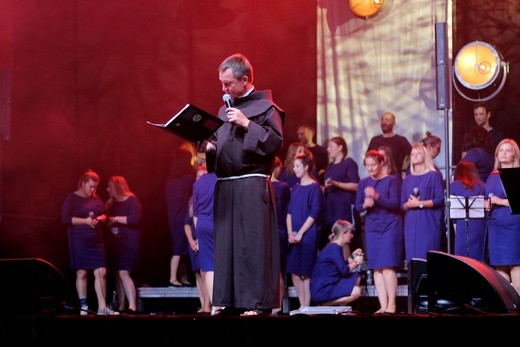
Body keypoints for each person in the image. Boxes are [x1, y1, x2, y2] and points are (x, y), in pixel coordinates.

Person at [199, 53, 284, 316]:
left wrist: (247, 124)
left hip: (251, 184)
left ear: (245, 80)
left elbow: (275, 143)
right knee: (226, 242)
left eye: (228, 84)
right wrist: (210, 147)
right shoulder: (223, 112)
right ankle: (226, 299)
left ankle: (255, 303)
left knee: (252, 244)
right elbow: (222, 146)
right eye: (221, 84)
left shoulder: (266, 108)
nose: (223, 89)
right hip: (226, 185)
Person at [61, 169, 119, 315]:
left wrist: (99, 219)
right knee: (82, 273)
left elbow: (104, 214)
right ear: (83, 183)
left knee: (101, 272)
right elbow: (66, 219)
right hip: (79, 239)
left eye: (95, 187)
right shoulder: (72, 198)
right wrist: (85, 221)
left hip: (96, 241)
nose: (93, 189)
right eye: (91, 186)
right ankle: (84, 306)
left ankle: (102, 307)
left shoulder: (96, 198)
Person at [355, 150, 403, 314]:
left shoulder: (391, 180)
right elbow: (358, 205)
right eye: (367, 165)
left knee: (388, 266)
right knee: (376, 268)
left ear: (381, 162)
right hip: (372, 227)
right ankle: (383, 305)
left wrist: (376, 197)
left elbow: (396, 203)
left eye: (373, 164)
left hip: (390, 225)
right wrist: (365, 205)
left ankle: (392, 305)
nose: (370, 168)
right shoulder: (363, 183)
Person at [286, 154, 323, 308]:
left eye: (297, 166)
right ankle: (302, 305)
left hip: (307, 235)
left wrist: (301, 233)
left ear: (306, 167)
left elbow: (314, 213)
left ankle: (307, 307)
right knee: (294, 272)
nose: (294, 169)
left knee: (305, 272)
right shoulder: (295, 188)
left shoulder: (314, 187)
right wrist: (290, 233)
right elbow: (289, 213)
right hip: (293, 235)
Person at [485, 139, 520, 295]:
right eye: (501, 150)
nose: (504, 153)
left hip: (512, 225)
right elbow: (488, 197)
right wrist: (487, 204)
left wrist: (498, 201)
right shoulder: (492, 176)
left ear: (514, 155)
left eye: (508, 150)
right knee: (499, 266)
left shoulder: (516, 174)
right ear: (496, 154)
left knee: (515, 264)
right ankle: (508, 307)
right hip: (496, 225)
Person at [104, 175, 142, 314]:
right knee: (117, 274)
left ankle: (132, 306)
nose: (107, 189)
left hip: (129, 242)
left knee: (124, 272)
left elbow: (135, 218)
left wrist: (115, 219)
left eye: (110, 187)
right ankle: (121, 305)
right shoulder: (111, 203)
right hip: (116, 242)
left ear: (117, 188)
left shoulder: (132, 200)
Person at [401, 145, 444, 265]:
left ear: (425, 156)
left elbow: (439, 199)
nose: (414, 156)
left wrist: (419, 203)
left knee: (426, 257)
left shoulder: (434, 175)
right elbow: (402, 205)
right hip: (410, 223)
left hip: (428, 222)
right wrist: (409, 204)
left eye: (418, 153)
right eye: (412, 154)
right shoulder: (407, 179)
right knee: (412, 259)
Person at [310, 220, 363, 306]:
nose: (352, 235)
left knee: (356, 277)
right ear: (343, 235)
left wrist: (352, 257)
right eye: (350, 233)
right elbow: (344, 271)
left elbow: (339, 266)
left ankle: (341, 309)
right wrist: (356, 262)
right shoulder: (334, 248)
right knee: (356, 291)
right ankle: (326, 304)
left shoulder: (335, 247)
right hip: (322, 289)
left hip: (328, 285)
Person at [165, 143, 196, 288]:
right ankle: (172, 277)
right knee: (179, 247)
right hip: (182, 216)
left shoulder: (169, 181)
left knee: (181, 246)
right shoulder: (187, 180)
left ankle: (183, 277)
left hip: (172, 215)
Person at [322, 136, 360, 251]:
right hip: (330, 207)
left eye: (331, 146)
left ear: (340, 147)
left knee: (343, 238)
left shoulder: (349, 163)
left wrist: (336, 184)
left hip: (343, 208)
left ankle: (346, 266)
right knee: (333, 237)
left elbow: (356, 185)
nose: (328, 149)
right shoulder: (330, 166)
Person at [192, 165, 218, 313]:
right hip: (218, 223)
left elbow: (195, 212)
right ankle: (222, 301)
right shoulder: (220, 179)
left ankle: (215, 305)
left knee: (208, 267)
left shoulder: (197, 183)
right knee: (220, 264)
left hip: (202, 225)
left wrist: (198, 236)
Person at [449, 161, 486, 261]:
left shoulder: (452, 186)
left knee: (462, 259)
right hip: (479, 225)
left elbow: (452, 213)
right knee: (478, 259)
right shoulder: (482, 186)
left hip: (461, 224)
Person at [270, 156, 291, 314]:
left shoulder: (282, 186)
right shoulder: (282, 186)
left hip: (276, 230)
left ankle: (276, 306)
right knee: (276, 270)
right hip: (275, 230)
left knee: (276, 269)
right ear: (277, 168)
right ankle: (274, 305)